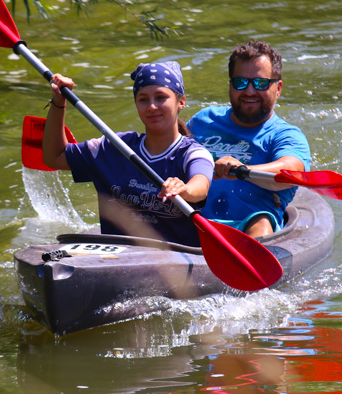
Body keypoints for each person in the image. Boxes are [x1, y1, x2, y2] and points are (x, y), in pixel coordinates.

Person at [42, 62, 214, 247]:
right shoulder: (113, 146)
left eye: (161, 97)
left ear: (181, 102)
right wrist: (59, 102)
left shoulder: (193, 153)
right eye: (143, 99)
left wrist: (185, 190)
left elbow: (201, 185)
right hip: (119, 259)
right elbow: (54, 156)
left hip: (174, 266)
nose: (152, 107)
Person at [188, 41, 311, 238]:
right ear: (230, 85)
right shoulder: (203, 121)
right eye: (240, 82)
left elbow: (292, 170)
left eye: (261, 83)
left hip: (248, 230)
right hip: (192, 221)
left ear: (278, 88)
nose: (250, 91)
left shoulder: (286, 135)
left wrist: (241, 170)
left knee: (260, 220)